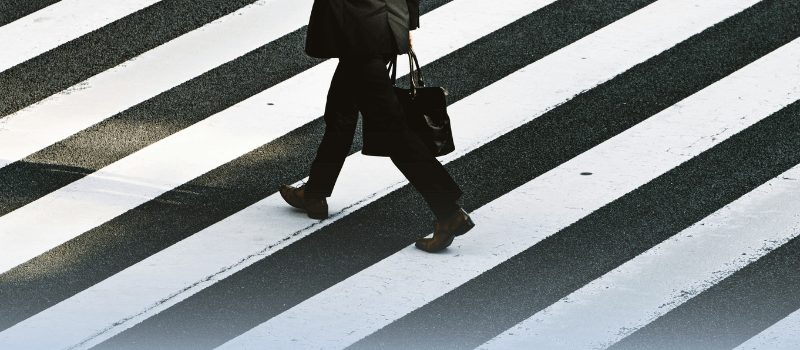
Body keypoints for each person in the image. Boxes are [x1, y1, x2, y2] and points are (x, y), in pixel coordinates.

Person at [279, 0, 474, 252]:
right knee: (341, 111)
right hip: (385, 24)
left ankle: (448, 213)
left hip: (356, 32)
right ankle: (315, 191)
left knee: (391, 128)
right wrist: (405, 24)